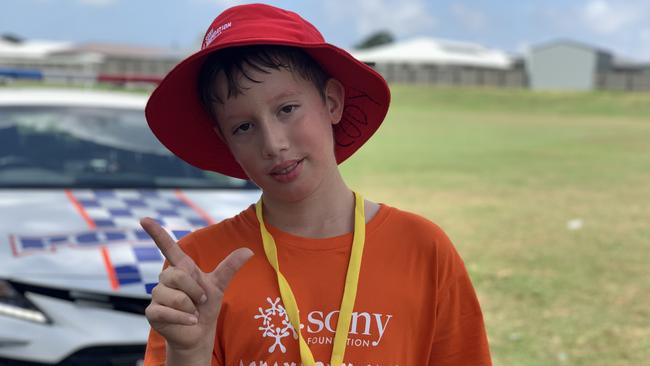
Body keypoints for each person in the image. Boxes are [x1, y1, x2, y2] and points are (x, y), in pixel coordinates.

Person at [141, 3, 492, 365]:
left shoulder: (423, 250)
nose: (273, 143)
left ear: (332, 102)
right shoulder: (202, 267)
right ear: (225, 140)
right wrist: (188, 353)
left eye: (287, 109)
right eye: (243, 127)